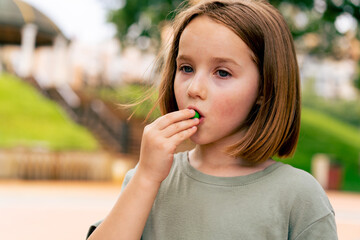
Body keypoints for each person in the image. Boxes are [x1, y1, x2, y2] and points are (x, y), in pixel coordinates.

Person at [87, 0, 338, 239]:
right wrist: (145, 178)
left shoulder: (300, 197)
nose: (194, 88)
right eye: (186, 68)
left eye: (222, 73)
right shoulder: (147, 179)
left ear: (265, 88)